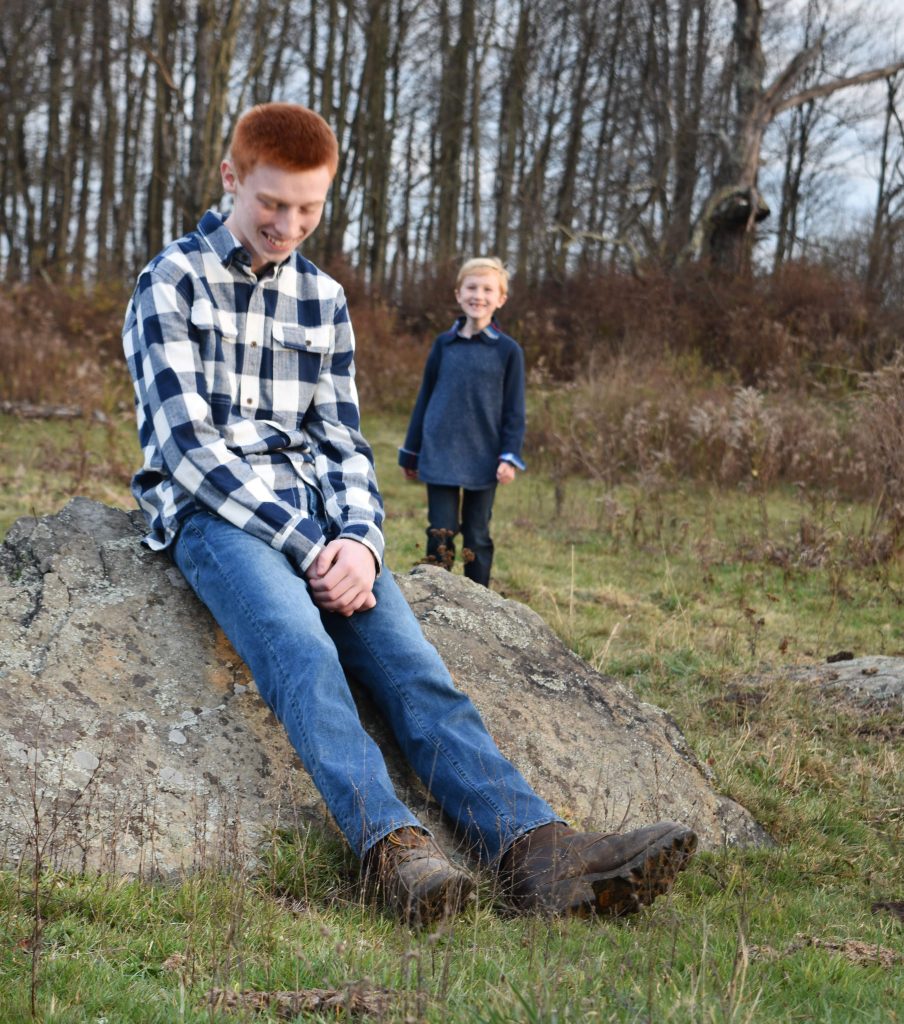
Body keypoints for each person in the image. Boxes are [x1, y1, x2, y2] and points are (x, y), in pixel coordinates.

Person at [122, 101, 697, 926]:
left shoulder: (322, 298)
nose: (288, 224)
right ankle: (394, 850)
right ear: (231, 178)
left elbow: (345, 441)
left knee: (415, 670)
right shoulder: (170, 281)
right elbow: (187, 450)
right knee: (300, 650)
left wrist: (359, 538)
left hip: (321, 517)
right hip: (218, 517)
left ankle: (536, 854)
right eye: (271, 203)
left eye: (308, 208)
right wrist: (307, 544)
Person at [398, 257, 522, 588]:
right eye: (471, 287)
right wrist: (411, 453)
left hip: (485, 455)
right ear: (458, 294)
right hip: (440, 452)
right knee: (440, 529)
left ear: (501, 299)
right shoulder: (444, 345)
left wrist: (509, 456)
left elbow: (514, 410)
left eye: (487, 289)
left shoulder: (508, 351)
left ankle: (477, 602)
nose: (478, 295)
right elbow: (425, 398)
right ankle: (435, 595)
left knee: (477, 534)